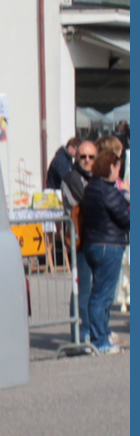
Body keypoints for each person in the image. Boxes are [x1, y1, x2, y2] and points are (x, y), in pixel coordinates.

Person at [80, 148, 130, 354]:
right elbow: (126, 218)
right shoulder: (107, 190)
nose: (118, 170)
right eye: (117, 166)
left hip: (94, 243)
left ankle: (101, 334)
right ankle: (100, 340)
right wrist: (128, 196)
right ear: (111, 167)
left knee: (99, 295)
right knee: (102, 296)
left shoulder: (92, 187)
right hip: (108, 245)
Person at [63, 140, 97, 341]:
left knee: (97, 290)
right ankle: (80, 334)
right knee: (82, 289)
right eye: (83, 156)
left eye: (91, 157)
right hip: (80, 240)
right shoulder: (71, 178)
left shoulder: (96, 177)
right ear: (77, 158)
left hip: (96, 239)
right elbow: (90, 202)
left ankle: (94, 331)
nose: (87, 160)